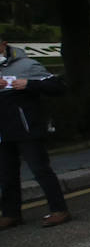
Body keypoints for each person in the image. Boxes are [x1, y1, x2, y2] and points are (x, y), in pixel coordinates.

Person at [0, 34, 72, 228]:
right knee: (6, 174)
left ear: (4, 45)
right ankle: (10, 214)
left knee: (40, 169)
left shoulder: (27, 65)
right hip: (3, 131)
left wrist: (28, 84)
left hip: (27, 128)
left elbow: (57, 86)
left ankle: (59, 210)